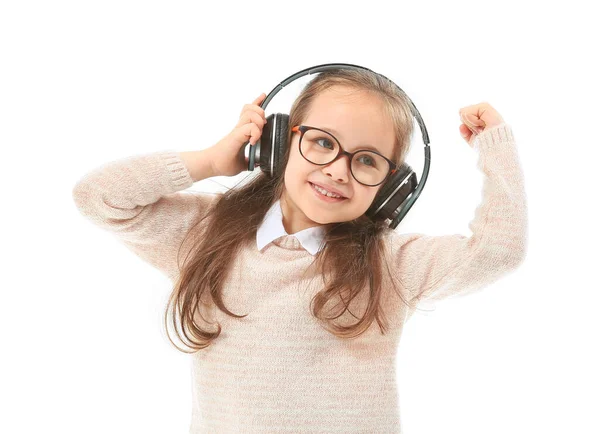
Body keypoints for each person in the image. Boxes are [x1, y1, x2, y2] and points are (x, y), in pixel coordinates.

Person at [71, 68, 528, 433]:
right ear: (277, 143)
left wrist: (496, 148)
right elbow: (97, 197)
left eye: (366, 159)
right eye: (323, 143)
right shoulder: (205, 233)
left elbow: (500, 250)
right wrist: (211, 161)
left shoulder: (392, 264)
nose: (336, 170)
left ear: (391, 189)